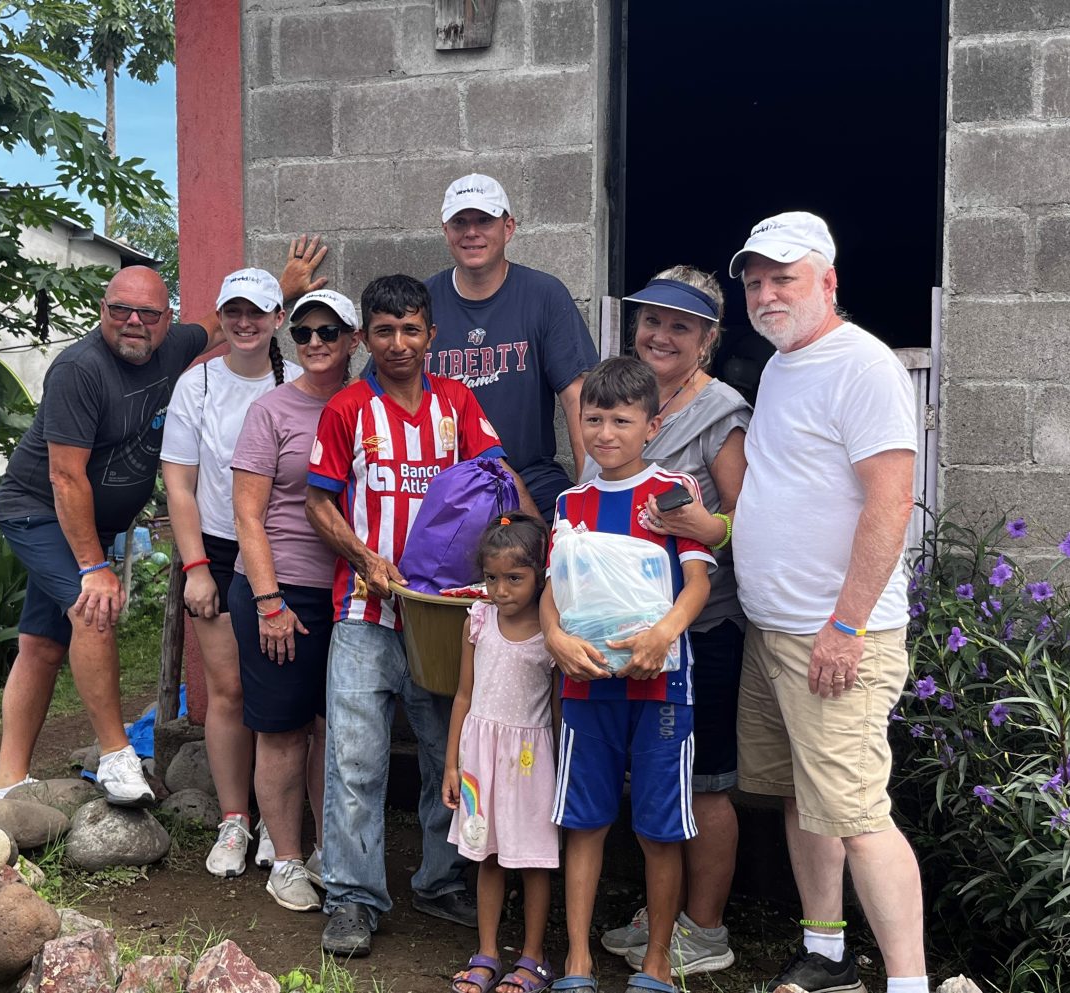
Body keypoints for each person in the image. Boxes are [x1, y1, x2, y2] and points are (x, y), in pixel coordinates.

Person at [305, 274, 540, 957]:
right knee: (355, 760)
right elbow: (318, 502)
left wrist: (540, 546)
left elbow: (500, 478)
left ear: (431, 335)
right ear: (364, 338)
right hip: (364, 612)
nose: (398, 343)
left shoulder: (458, 402)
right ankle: (352, 899)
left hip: (443, 619)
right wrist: (366, 556)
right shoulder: (347, 409)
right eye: (384, 331)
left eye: (411, 329)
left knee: (449, 751)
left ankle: (441, 881)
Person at [728, 212, 927, 993]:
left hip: (836, 634)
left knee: (858, 813)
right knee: (801, 798)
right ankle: (827, 952)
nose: (767, 294)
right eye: (755, 282)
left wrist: (846, 625)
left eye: (784, 278)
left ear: (828, 280)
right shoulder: (784, 364)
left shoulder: (862, 365)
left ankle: (909, 982)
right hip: (775, 629)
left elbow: (892, 501)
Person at [0, 266, 222, 806]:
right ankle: (118, 757)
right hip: (40, 511)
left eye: (148, 312)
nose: (134, 321)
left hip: (86, 520)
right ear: (103, 311)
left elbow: (216, 325)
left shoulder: (173, 345)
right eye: (121, 309)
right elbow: (65, 478)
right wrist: (94, 568)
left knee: (41, 644)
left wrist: (287, 287)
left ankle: (7, 783)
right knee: (92, 609)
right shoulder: (81, 369)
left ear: (167, 318)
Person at [595, 269, 750, 976]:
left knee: (705, 780)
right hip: (628, 631)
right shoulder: (622, 394)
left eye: (680, 326)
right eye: (651, 320)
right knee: (658, 775)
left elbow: (744, 518)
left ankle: (705, 930)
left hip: (701, 629)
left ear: (708, 339)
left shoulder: (720, 412)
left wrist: (706, 527)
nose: (660, 334)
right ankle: (666, 911)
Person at [542, 356, 713, 993]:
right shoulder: (570, 502)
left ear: (651, 425)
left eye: (621, 420)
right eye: (594, 419)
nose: (606, 433)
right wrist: (555, 637)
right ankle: (577, 960)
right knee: (584, 821)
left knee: (660, 828)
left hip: (662, 686)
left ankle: (657, 962)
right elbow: (553, 592)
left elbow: (697, 583)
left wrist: (664, 634)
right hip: (586, 686)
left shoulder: (672, 490)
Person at [161, 268, 300, 877]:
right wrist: (196, 568)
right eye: (233, 312)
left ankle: (277, 819)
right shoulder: (197, 384)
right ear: (220, 317)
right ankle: (234, 818)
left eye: (257, 312)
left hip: (285, 551)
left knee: (285, 694)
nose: (245, 323)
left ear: (277, 319)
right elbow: (179, 485)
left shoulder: (296, 381)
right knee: (229, 690)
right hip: (216, 550)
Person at [228, 287, 359, 912]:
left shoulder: (369, 405)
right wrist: (269, 601)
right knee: (282, 731)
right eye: (303, 332)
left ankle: (327, 850)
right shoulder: (272, 411)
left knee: (334, 729)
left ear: (352, 340)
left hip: (351, 592)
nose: (314, 342)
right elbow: (247, 516)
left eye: (328, 332)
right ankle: (284, 858)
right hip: (280, 591)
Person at [426, 174, 598, 522]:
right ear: (446, 231)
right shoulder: (423, 301)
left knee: (566, 541)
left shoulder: (543, 295)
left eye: (483, 220)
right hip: (443, 481)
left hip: (531, 474)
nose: (471, 232)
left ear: (508, 228)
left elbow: (576, 397)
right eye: (459, 222)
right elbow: (375, 391)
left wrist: (590, 492)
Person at [442, 513, 559, 993]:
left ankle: (533, 957)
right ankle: (487, 951)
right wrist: (451, 764)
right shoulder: (478, 620)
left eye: (514, 578)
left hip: (531, 763)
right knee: (485, 855)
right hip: (479, 761)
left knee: (532, 860)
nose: (501, 590)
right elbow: (463, 696)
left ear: (539, 575)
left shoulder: (552, 633)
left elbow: (558, 709)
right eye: (492, 578)